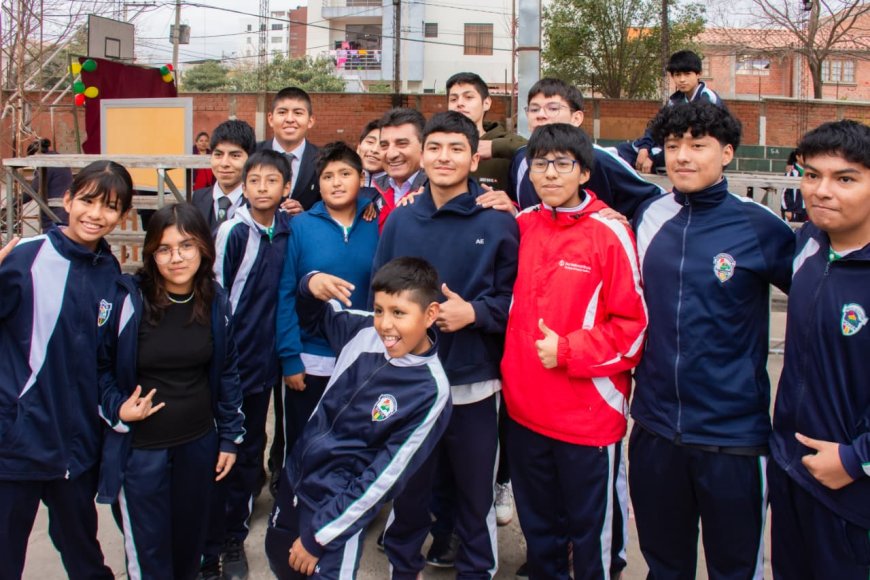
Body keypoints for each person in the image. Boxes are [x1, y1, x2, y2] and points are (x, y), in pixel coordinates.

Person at [629, 101, 795, 579]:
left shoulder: (759, 226)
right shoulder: (648, 218)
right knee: (664, 565)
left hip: (733, 437)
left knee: (735, 568)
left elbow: (819, 298)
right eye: (674, 145)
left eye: (697, 145)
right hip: (657, 428)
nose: (682, 156)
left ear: (726, 152)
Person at [377, 111, 519, 579]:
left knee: (473, 498)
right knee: (409, 491)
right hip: (411, 385)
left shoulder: (498, 221)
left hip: (472, 386)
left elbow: (513, 300)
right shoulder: (400, 220)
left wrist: (473, 313)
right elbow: (379, 295)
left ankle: (476, 571)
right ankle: (403, 569)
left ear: (474, 154)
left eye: (456, 148)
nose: (444, 157)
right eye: (435, 147)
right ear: (422, 152)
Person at [502, 123, 647, 579]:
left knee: (591, 536)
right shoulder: (522, 224)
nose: (549, 173)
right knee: (539, 530)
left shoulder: (609, 232)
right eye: (539, 164)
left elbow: (633, 328)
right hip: (524, 411)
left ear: (584, 172)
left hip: (586, 415)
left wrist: (568, 349)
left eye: (562, 164)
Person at [265, 257, 452, 579]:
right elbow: (311, 318)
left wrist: (319, 536)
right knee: (280, 561)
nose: (385, 324)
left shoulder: (430, 391)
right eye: (380, 310)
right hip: (297, 478)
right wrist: (309, 285)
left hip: (335, 509)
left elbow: (384, 478)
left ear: (430, 314)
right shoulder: (362, 330)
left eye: (399, 313)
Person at [95, 203, 245, 580]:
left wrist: (228, 438)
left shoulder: (215, 299)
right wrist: (118, 408)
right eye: (164, 248)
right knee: (149, 556)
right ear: (151, 253)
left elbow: (227, 372)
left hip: (198, 445)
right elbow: (97, 369)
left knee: (188, 547)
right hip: (142, 452)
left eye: (186, 245)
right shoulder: (127, 299)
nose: (176, 257)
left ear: (204, 250)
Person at [0, 160, 134, 580]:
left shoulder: (110, 273)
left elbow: (101, 360)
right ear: (68, 199)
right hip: (17, 445)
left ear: (124, 215)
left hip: (75, 449)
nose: (96, 214)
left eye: (110, 207)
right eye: (88, 201)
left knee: (84, 554)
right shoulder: (25, 258)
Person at [768, 119, 870, 580]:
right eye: (812, 175)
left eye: (844, 178)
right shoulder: (807, 243)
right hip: (793, 472)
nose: (821, 191)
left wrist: (853, 460)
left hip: (852, 491)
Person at [201, 150, 294, 580]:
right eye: (253, 180)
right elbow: (216, 296)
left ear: (286, 189)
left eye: (271, 181)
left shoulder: (289, 229)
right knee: (232, 448)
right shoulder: (234, 232)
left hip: (269, 360)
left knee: (254, 443)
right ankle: (226, 539)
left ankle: (235, 521)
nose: (261, 188)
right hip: (234, 361)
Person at [275, 142, 379, 490]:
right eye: (327, 176)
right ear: (317, 183)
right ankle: (294, 511)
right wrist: (290, 358)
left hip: (362, 357)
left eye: (345, 174)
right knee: (304, 442)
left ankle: (344, 514)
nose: (336, 182)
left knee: (353, 442)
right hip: (311, 357)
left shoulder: (377, 220)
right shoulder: (301, 226)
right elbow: (286, 292)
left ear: (361, 178)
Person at [506, 78, 664, 216]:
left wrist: (628, 223)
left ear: (576, 118)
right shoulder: (521, 158)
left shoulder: (600, 159)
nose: (540, 115)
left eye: (553, 108)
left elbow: (657, 199)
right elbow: (520, 206)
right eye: (534, 109)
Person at [616, 50, 725, 174]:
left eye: (687, 74)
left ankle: (656, 165)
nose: (682, 80)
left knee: (671, 153)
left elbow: (694, 138)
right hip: (671, 146)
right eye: (678, 75)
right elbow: (657, 126)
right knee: (622, 150)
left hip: (697, 150)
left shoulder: (707, 99)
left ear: (698, 74)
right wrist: (644, 147)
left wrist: (653, 157)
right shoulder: (675, 100)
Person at [446, 71, 527, 194]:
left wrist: (494, 147)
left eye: (468, 97)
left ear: (486, 103)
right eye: (453, 99)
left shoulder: (506, 142)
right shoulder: (439, 142)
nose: (460, 103)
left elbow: (538, 150)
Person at [257, 86, 321, 211]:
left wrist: (305, 217)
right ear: (270, 119)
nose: (290, 119)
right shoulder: (253, 153)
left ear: (310, 120)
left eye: (298, 113)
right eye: (282, 112)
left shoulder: (322, 159)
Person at [192, 120, 257, 233]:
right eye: (218, 154)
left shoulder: (259, 201)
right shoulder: (198, 198)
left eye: (235, 155)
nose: (224, 163)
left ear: (250, 159)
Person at [372, 108, 429, 231]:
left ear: (424, 146)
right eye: (384, 145)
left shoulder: (436, 193)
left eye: (402, 143)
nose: (391, 154)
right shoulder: (371, 195)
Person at [26, 138, 73, 231]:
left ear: (36, 155)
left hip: (55, 214)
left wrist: (11, 203)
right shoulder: (57, 159)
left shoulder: (46, 164)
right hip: (64, 211)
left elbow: (31, 192)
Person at [357, 119, 386, 187]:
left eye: (383, 145)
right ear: (358, 147)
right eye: (370, 142)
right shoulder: (343, 183)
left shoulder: (399, 189)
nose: (374, 150)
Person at [780, 150, 807, 222]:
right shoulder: (791, 172)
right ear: (797, 157)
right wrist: (786, 210)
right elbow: (784, 192)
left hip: (806, 209)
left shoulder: (810, 171)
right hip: (794, 210)